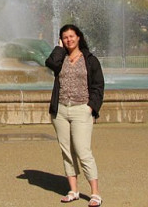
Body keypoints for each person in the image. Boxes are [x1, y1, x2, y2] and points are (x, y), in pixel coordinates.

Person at [46, 24, 105, 206]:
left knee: (82, 151)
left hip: (81, 110)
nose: (69, 39)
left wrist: (91, 107)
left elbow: (98, 85)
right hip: (61, 110)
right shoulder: (60, 58)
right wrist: (58, 48)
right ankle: (73, 190)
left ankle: (95, 193)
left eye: (71, 36)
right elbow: (49, 63)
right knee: (67, 151)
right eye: (65, 37)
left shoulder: (90, 60)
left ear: (79, 37)